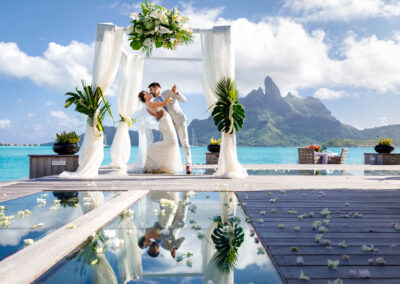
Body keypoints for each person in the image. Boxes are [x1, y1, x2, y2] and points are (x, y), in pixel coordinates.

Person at [148, 82, 192, 174]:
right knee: (162, 142)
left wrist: (176, 93)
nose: (150, 92)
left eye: (151, 90)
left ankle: (188, 165)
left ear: (156, 87)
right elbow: (157, 116)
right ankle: (162, 165)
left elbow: (184, 100)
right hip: (168, 125)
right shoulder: (155, 102)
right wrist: (157, 115)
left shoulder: (168, 92)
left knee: (185, 143)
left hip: (180, 121)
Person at [138, 86, 182, 173]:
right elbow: (164, 103)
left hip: (164, 121)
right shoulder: (150, 103)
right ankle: (150, 151)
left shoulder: (148, 106)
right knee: (172, 142)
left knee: (170, 142)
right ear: (144, 97)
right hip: (165, 122)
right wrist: (171, 92)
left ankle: (161, 163)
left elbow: (156, 115)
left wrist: (159, 114)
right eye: (147, 93)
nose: (149, 93)